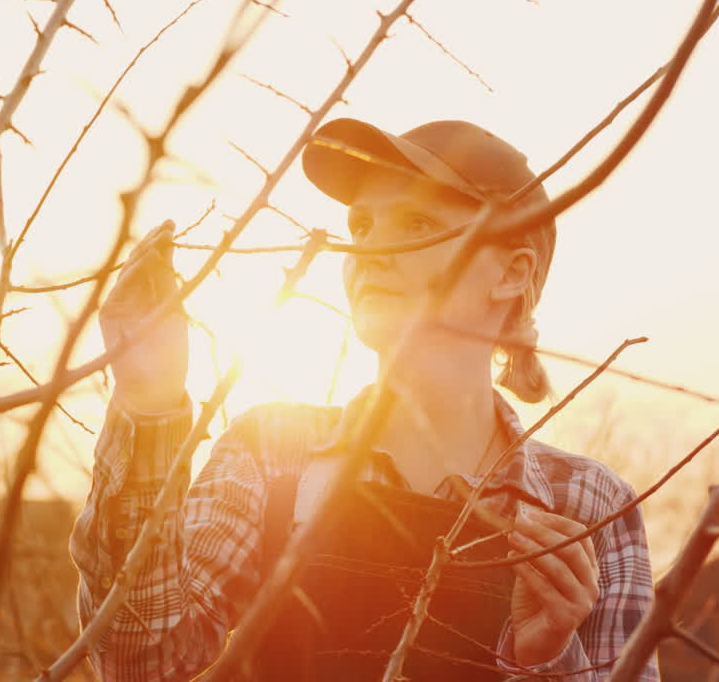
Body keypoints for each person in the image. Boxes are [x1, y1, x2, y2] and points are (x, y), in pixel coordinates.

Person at [71, 118, 659, 681]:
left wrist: (546, 662)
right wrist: (148, 402)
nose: (369, 251)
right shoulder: (273, 452)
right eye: (362, 227)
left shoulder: (589, 507)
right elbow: (139, 663)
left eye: (418, 225)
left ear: (510, 274)